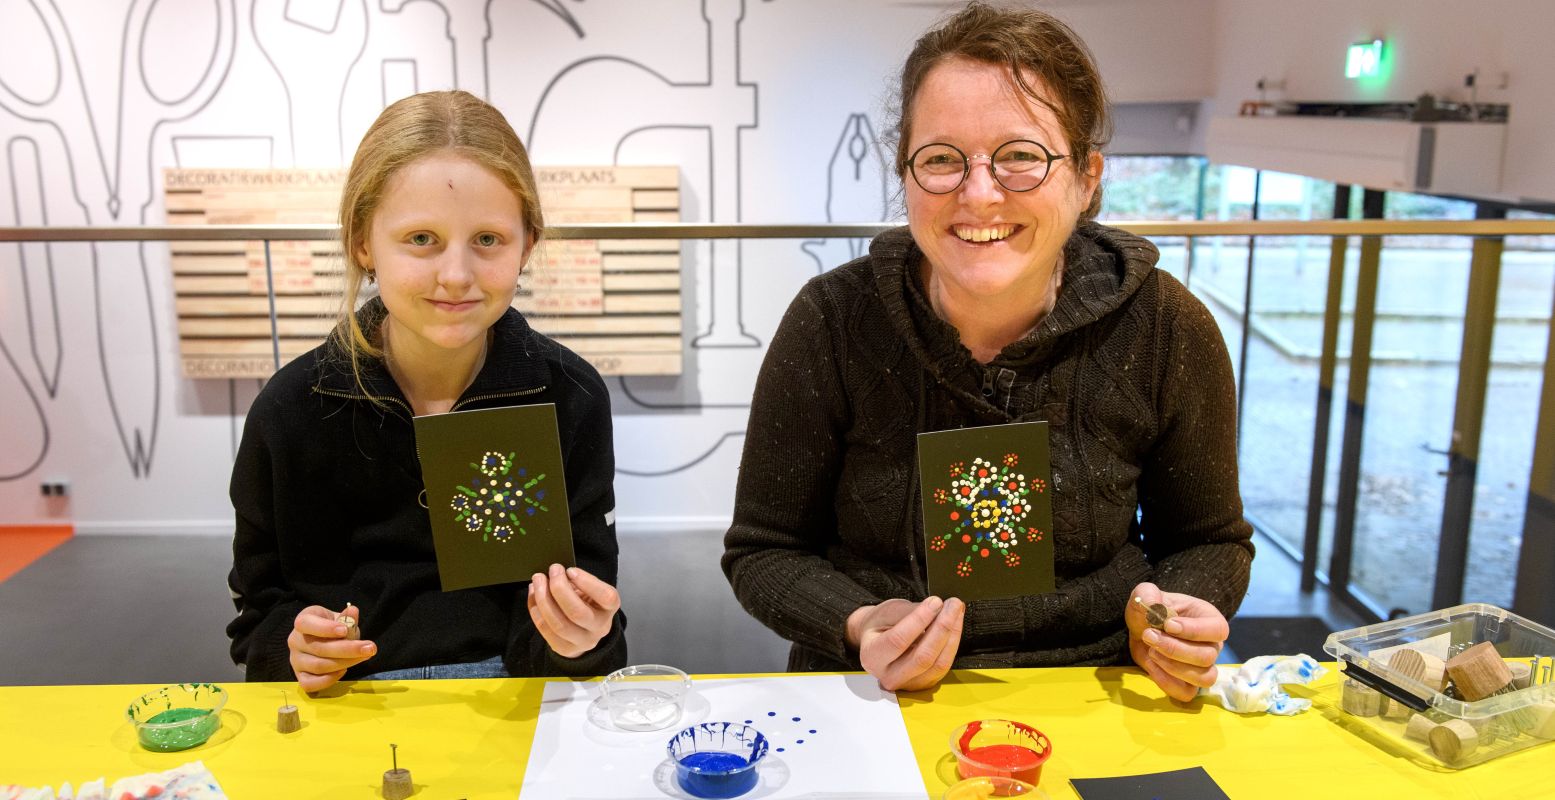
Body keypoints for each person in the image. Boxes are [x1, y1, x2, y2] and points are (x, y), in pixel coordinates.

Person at [722, 2, 1253, 701]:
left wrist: (1177, 613)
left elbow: (1210, 538)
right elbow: (763, 549)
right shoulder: (832, 321)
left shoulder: (1164, 326)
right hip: (873, 697)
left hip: (1095, 689)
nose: (978, 194)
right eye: (941, 160)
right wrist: (859, 622)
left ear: (1087, 177)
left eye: (1020, 158)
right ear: (905, 175)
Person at [227, 90, 626, 691]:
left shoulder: (570, 396)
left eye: (488, 239)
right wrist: (297, 649)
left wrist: (582, 638)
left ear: (527, 247)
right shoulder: (291, 409)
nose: (457, 275)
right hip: (351, 705)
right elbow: (260, 615)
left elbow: (589, 608)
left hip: (520, 703)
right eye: (421, 239)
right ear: (364, 244)